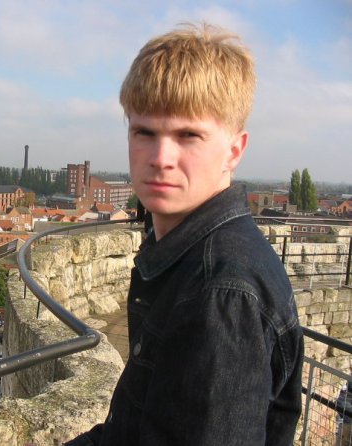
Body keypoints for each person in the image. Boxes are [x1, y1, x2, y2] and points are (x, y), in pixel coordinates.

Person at [65, 23, 303, 445]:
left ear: (234, 150)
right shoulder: (181, 251)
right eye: (145, 133)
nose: (161, 158)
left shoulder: (222, 292)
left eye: (188, 135)